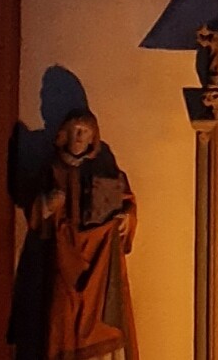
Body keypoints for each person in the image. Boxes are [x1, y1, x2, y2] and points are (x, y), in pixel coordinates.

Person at [9, 109, 138, 360]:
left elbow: (125, 199)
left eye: (85, 132)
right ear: (64, 134)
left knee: (102, 320)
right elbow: (32, 207)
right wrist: (47, 204)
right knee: (62, 315)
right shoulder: (52, 170)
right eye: (76, 131)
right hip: (63, 254)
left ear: (92, 138)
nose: (79, 137)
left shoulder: (103, 166)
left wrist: (127, 216)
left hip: (99, 260)